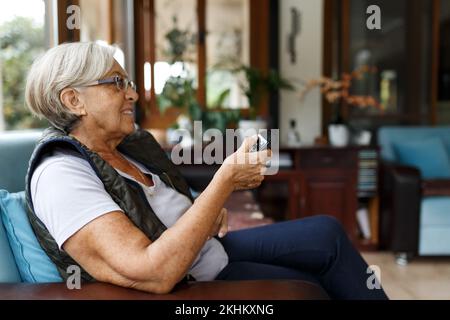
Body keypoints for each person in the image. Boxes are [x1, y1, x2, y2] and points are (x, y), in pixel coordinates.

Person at [24, 42, 387, 300]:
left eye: (129, 83)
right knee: (312, 287)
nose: (132, 95)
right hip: (192, 277)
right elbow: (151, 271)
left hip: (207, 251)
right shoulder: (60, 176)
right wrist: (225, 180)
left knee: (326, 232)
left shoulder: (123, 150)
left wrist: (208, 209)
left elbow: (168, 206)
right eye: (117, 83)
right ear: (74, 100)